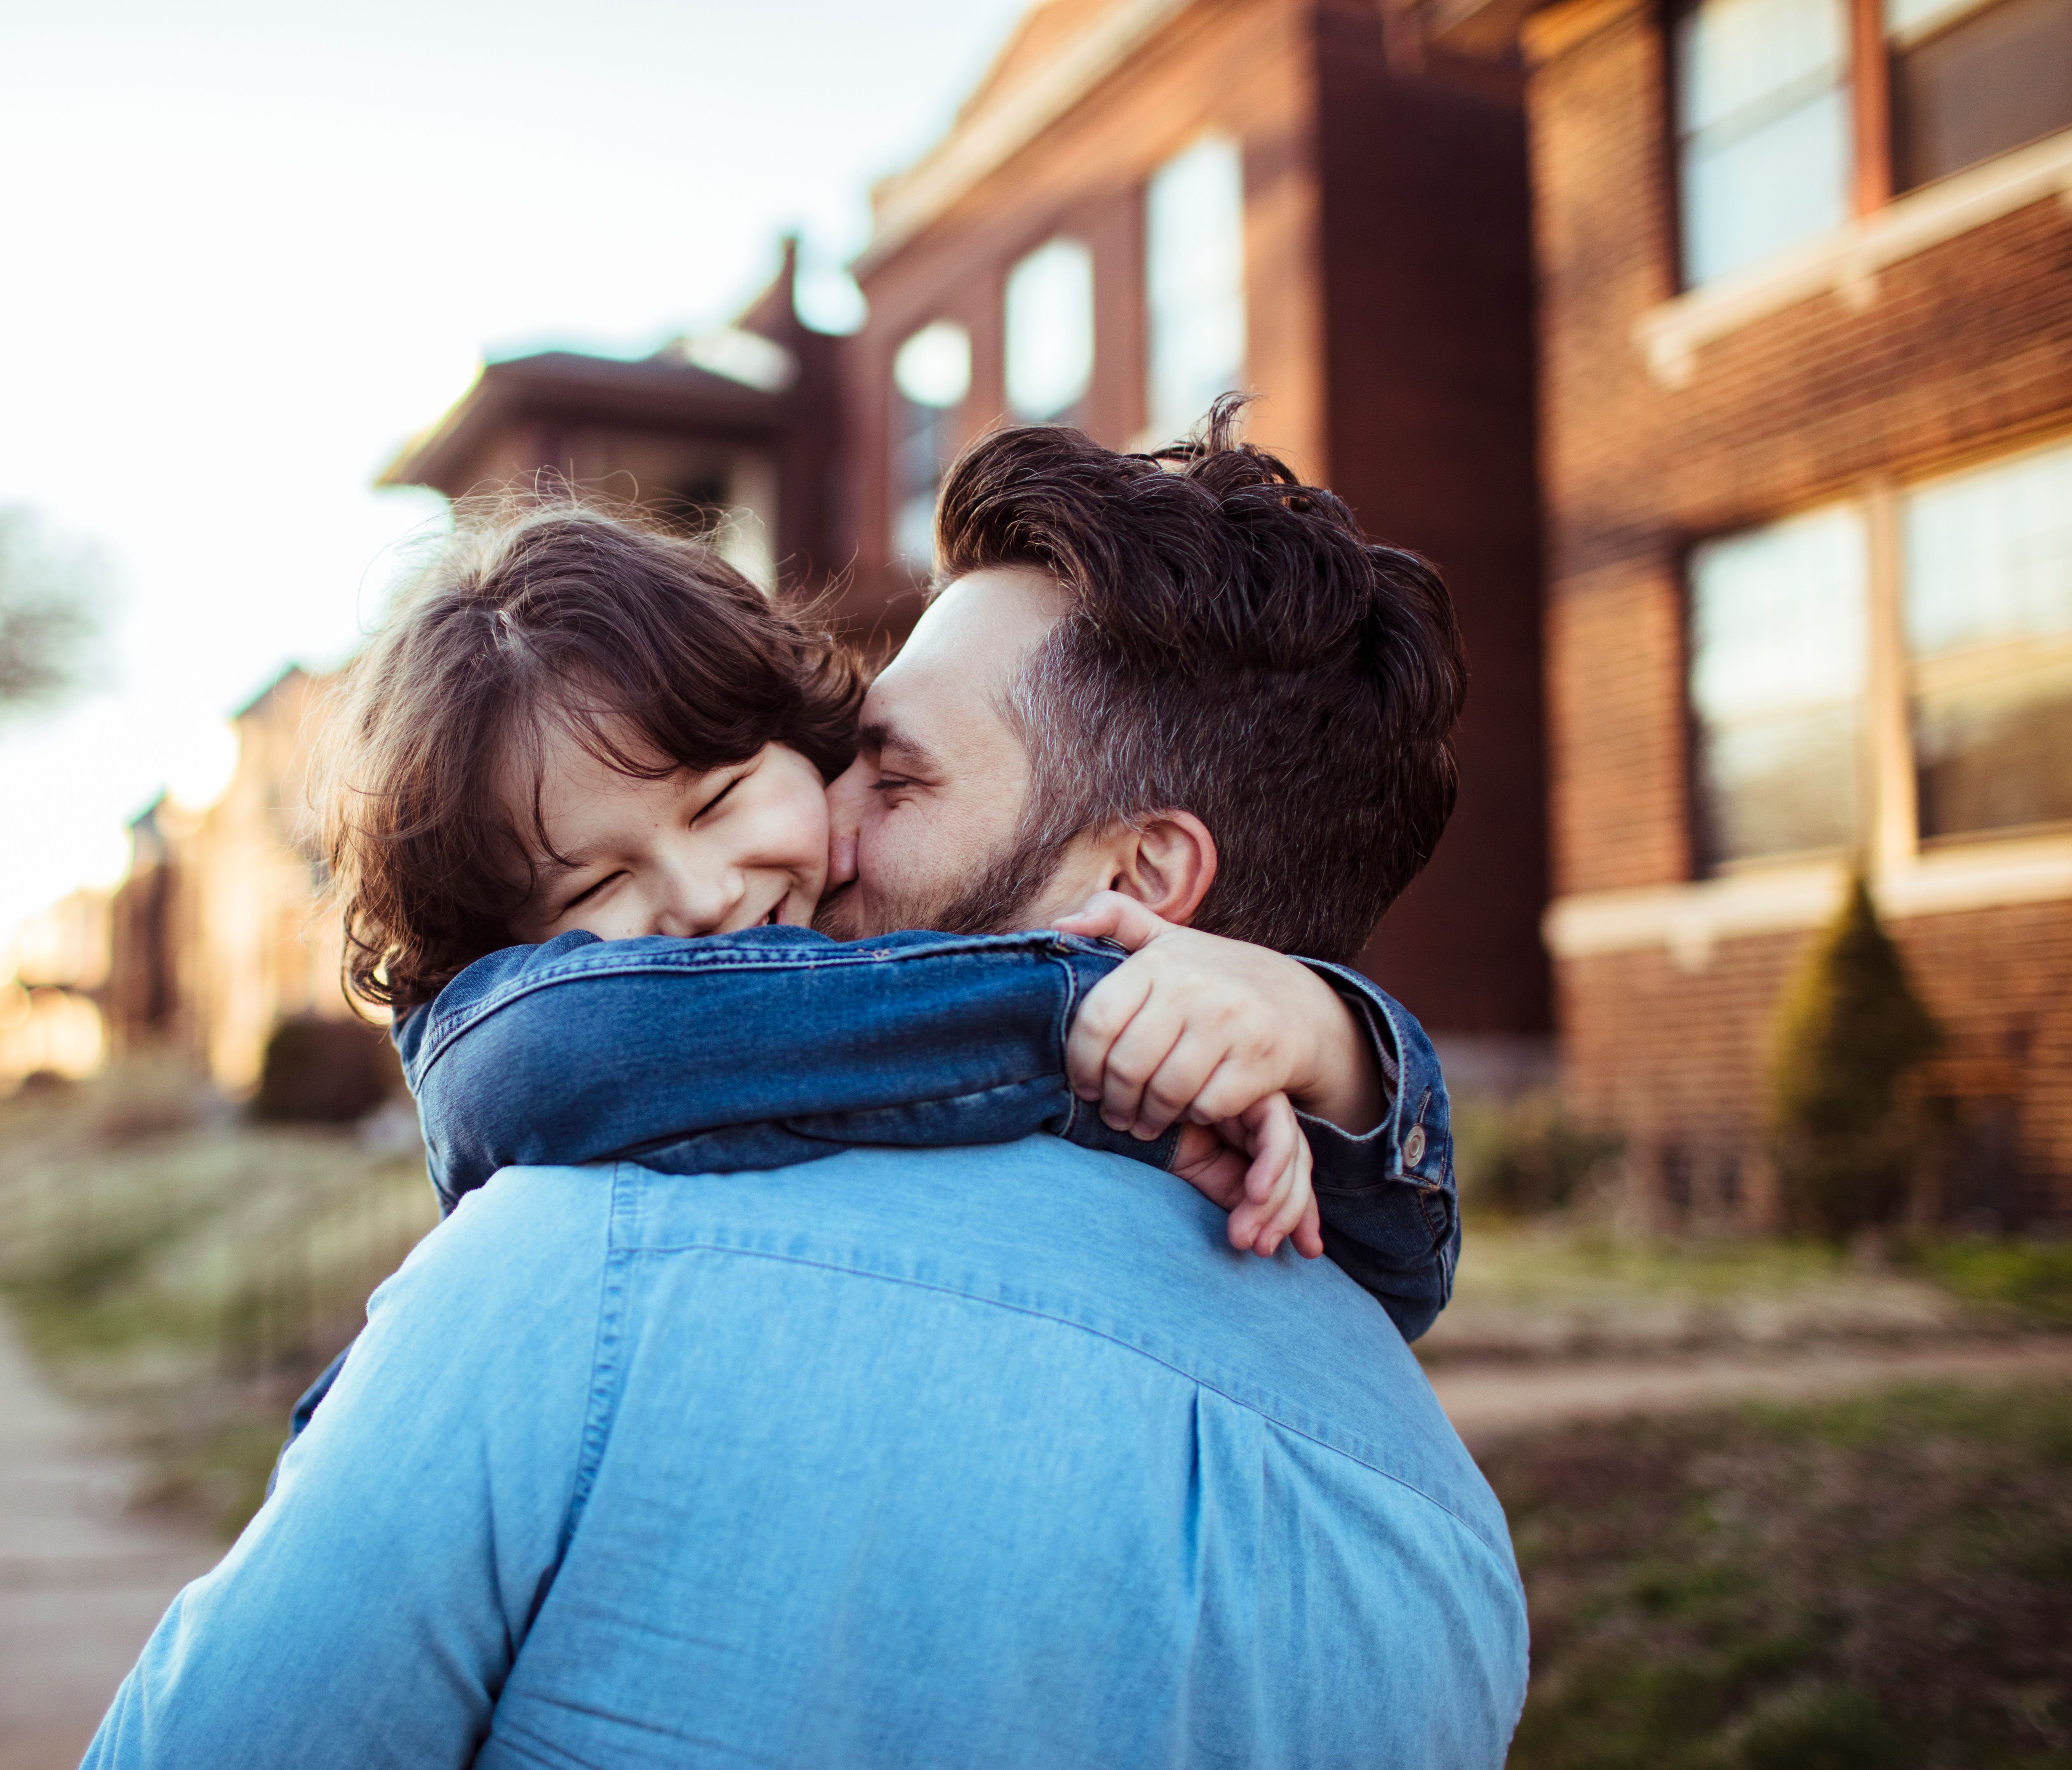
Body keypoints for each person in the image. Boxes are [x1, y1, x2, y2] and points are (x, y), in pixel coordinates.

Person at [82, 412, 1528, 1768]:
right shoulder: (1444, 1528)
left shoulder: (568, 1283)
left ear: (1144, 879)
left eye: (891, 781)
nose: (808, 835)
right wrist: (1331, 1044)